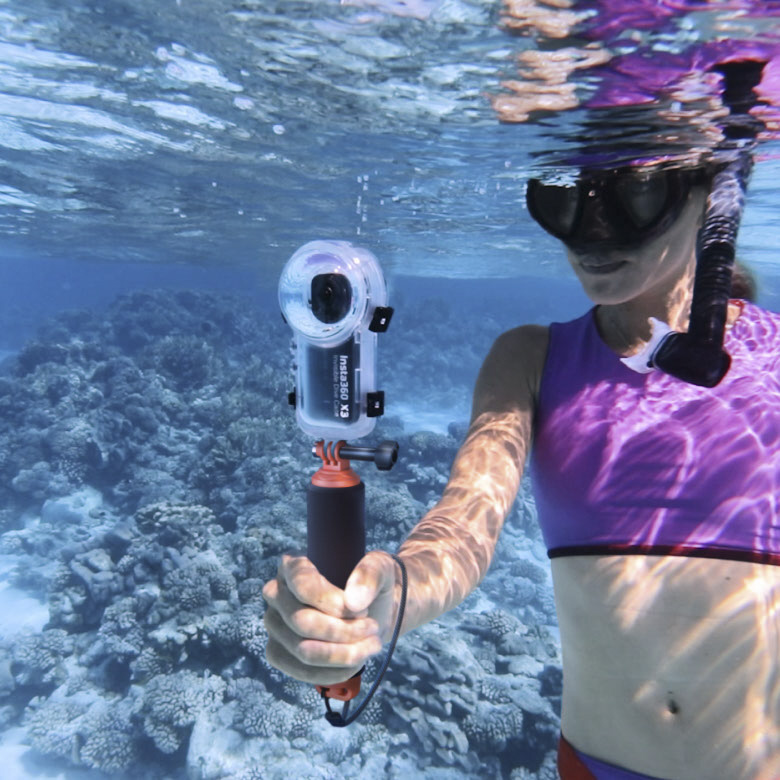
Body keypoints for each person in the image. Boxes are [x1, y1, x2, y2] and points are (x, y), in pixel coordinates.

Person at [263, 162, 780, 779]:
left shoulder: (772, 358)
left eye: (638, 192)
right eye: (566, 198)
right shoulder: (529, 358)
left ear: (714, 193)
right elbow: (464, 525)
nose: (594, 231)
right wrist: (387, 598)